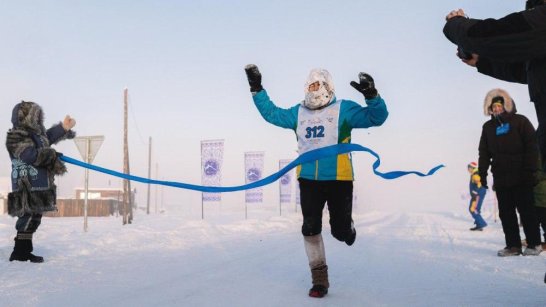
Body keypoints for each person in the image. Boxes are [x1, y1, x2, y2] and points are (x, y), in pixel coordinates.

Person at [244, 64, 388, 298]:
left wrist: (372, 95)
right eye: (310, 85)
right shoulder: (299, 112)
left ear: (328, 87)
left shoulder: (344, 109)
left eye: (317, 85)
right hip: (309, 179)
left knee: (340, 233)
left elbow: (377, 117)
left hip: (339, 178)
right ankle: (319, 279)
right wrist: (256, 88)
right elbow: (272, 113)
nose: (314, 89)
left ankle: (346, 228)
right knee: (310, 227)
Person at [443, 2, 546, 167]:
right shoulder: (489, 128)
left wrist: (455, 23)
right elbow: (527, 70)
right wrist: (482, 62)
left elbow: (490, 35)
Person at [5, 101, 76, 263]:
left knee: (34, 218)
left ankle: (24, 251)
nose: (37, 120)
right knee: (27, 217)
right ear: (25, 118)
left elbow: (47, 138)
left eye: (39, 117)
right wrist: (51, 155)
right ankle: (19, 253)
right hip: (27, 185)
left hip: (39, 184)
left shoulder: (35, 136)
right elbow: (29, 155)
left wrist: (63, 128)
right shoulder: (16, 136)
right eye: (34, 117)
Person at [477, 88, 542, 257]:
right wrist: (482, 174)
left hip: (522, 175)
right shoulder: (488, 127)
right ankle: (513, 246)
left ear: (506, 105)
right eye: (494, 107)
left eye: (499, 106)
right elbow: (484, 152)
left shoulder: (520, 121)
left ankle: (534, 244)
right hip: (501, 176)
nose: (497, 109)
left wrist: (531, 171)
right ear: (490, 109)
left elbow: (532, 147)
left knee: (527, 211)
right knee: (506, 213)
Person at [467, 162, 487, 231]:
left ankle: (482, 223)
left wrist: (475, 192)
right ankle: (479, 225)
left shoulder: (475, 175)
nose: (468, 169)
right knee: (476, 209)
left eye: (469, 167)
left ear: (472, 168)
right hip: (478, 194)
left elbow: (479, 183)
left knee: (472, 209)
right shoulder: (476, 173)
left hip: (477, 195)